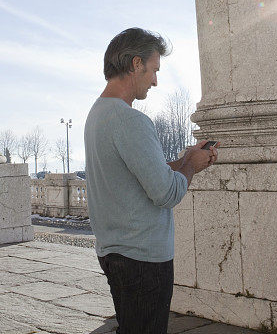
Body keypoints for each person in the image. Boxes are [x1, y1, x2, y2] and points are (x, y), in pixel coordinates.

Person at [84, 27, 219, 334]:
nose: (156, 80)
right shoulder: (131, 120)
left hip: (114, 252)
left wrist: (185, 159)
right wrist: (193, 168)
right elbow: (167, 193)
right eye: (154, 69)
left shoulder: (98, 114)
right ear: (135, 64)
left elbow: (134, 173)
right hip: (142, 259)